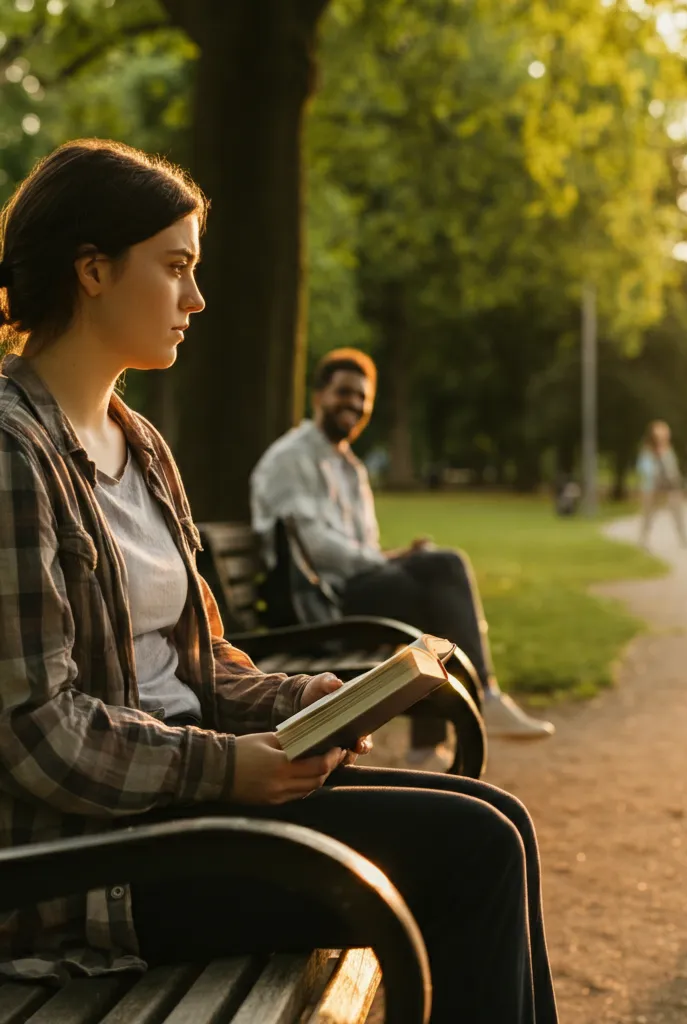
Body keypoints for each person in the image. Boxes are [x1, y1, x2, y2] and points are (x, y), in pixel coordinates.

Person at [0, 140, 558, 1024]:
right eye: (175, 268)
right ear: (93, 269)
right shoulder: (12, 452)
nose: (196, 298)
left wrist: (310, 701)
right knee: (475, 851)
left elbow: (200, 664)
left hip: (183, 816)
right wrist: (225, 770)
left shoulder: (137, 443)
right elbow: (37, 732)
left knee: (501, 822)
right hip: (97, 860)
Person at [250, 348, 555, 772]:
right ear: (318, 395)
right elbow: (313, 545)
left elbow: (361, 546)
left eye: (363, 399)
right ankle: (481, 697)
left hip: (347, 590)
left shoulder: (351, 469)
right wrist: (383, 563)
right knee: (440, 570)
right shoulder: (290, 458)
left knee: (427, 569)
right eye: (344, 393)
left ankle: (438, 734)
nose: (354, 405)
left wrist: (392, 559)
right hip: (317, 605)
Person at [636, 419, 687, 549]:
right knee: (648, 515)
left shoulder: (668, 450)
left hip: (670, 487)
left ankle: (683, 539)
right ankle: (643, 540)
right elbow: (644, 469)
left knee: (678, 513)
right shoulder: (647, 451)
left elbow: (673, 469)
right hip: (653, 488)